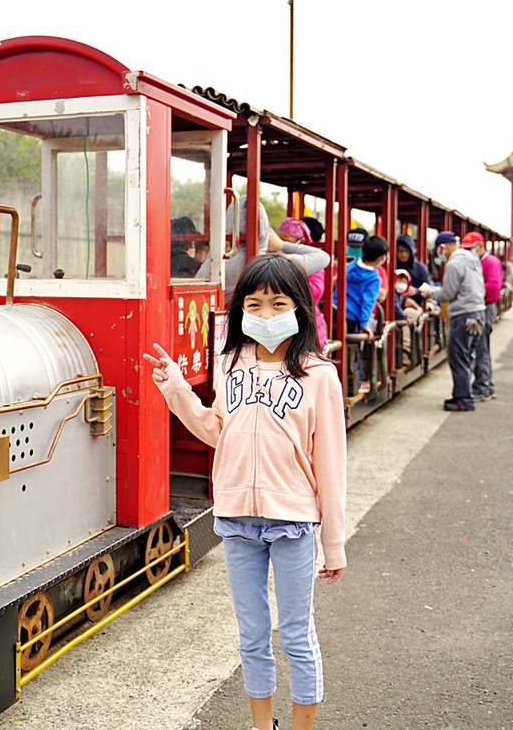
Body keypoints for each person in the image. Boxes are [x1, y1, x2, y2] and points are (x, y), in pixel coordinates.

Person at [143, 253, 346, 730]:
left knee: (297, 634)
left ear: (299, 307)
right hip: (236, 521)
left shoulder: (320, 376)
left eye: (279, 303)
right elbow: (219, 430)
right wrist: (176, 390)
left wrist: (333, 543)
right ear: (240, 313)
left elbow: (331, 465)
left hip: (293, 524)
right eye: (254, 304)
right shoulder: (231, 364)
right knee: (252, 636)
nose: (267, 314)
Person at [202, 202, 330, 302]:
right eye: (279, 238)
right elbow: (322, 257)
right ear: (264, 231)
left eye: (287, 240)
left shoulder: (218, 265)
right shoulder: (276, 264)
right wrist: (283, 246)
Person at [420, 231, 485, 411]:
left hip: (463, 316)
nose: (439, 256)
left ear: (442, 248)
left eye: (439, 252)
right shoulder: (472, 260)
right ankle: (463, 394)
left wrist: (430, 292)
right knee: (468, 356)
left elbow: (447, 294)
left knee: (458, 357)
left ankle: (463, 399)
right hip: (479, 313)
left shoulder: (454, 263)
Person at [333, 235, 387, 393]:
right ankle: (354, 384)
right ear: (381, 258)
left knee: (335, 347)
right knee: (354, 349)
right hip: (351, 318)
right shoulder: (374, 279)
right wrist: (364, 324)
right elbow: (368, 303)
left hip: (336, 310)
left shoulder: (351, 266)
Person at [461, 231, 504, 401]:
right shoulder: (476, 262)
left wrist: (470, 289)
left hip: (485, 307)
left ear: (480, 247)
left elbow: (494, 287)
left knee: (481, 348)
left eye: (470, 248)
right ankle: (487, 385)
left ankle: (482, 386)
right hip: (479, 305)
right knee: (480, 347)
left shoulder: (490, 262)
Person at [278, 216, 327, 347]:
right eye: (279, 239)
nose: (282, 245)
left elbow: (315, 292)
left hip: (307, 328)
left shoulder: (311, 262)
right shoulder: (273, 258)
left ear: (301, 241)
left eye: (286, 242)